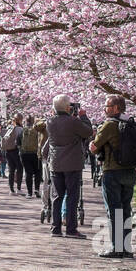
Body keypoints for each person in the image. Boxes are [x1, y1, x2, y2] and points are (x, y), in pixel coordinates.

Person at [89, 94, 136, 259]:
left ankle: (116, 248)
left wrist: (92, 147)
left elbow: (95, 146)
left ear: (116, 108)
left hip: (113, 171)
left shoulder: (109, 124)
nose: (105, 109)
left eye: (107, 106)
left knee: (114, 210)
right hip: (130, 171)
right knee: (126, 209)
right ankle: (127, 247)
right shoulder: (131, 122)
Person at [46, 97, 92, 238]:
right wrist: (83, 117)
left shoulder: (50, 122)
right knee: (72, 196)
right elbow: (88, 132)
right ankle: (71, 229)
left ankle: (56, 228)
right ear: (68, 108)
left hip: (55, 163)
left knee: (57, 196)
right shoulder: (74, 121)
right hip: (72, 163)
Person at [20, 117, 45, 199]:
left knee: (28, 173)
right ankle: (37, 189)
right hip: (35, 154)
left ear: (26, 121)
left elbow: (18, 142)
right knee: (38, 172)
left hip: (25, 154)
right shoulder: (37, 130)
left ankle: (29, 192)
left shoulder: (23, 130)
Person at [2, 115, 24, 193]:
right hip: (16, 150)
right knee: (19, 169)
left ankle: (11, 189)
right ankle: (18, 188)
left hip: (8, 150)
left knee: (11, 170)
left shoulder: (9, 128)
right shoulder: (20, 129)